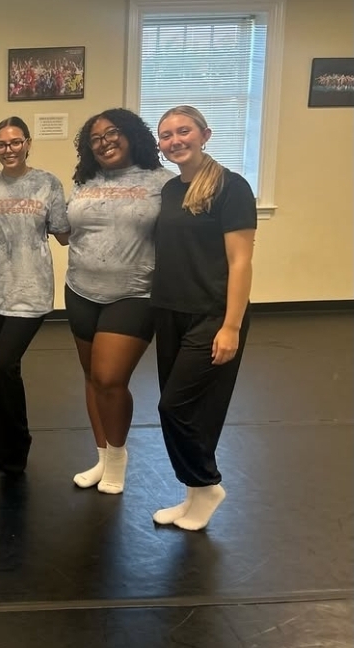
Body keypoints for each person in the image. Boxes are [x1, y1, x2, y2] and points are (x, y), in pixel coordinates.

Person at [151, 106, 257, 531]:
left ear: (205, 134)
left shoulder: (232, 187)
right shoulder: (169, 190)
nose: (175, 140)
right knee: (188, 409)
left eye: (184, 131)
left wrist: (231, 326)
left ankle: (207, 485)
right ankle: (193, 495)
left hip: (212, 315)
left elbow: (241, 261)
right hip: (169, 312)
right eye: (166, 135)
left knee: (175, 406)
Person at [65, 107, 174, 494]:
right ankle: (101, 457)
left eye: (112, 133)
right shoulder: (85, 182)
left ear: (131, 135)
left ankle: (117, 457)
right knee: (92, 378)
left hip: (134, 293)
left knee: (111, 379)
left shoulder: (162, 182)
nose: (105, 142)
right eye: (95, 139)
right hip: (80, 289)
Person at [0, 117, 70, 474]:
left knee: (4, 364)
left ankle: (20, 443)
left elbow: (63, 234)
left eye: (14, 142)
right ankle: (3, 450)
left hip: (32, 289)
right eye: (1, 144)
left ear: (27, 143)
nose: (8, 149)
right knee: (4, 370)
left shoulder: (47, 184)